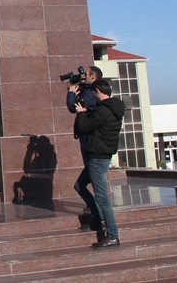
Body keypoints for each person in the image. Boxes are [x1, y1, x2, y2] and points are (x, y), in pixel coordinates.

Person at [75, 79, 126, 248]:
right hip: (102, 156)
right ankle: (98, 219)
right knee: (79, 185)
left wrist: (81, 113)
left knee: (102, 196)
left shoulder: (103, 111)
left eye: (93, 93)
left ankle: (112, 234)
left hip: (97, 157)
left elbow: (85, 127)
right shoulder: (114, 109)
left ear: (97, 91)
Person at [67, 66, 104, 231]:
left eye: (87, 75)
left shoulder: (90, 93)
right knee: (90, 183)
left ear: (93, 76)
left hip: (90, 143)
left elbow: (72, 107)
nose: (84, 78)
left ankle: (100, 217)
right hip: (90, 142)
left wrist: (70, 93)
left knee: (91, 183)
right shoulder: (90, 92)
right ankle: (99, 216)